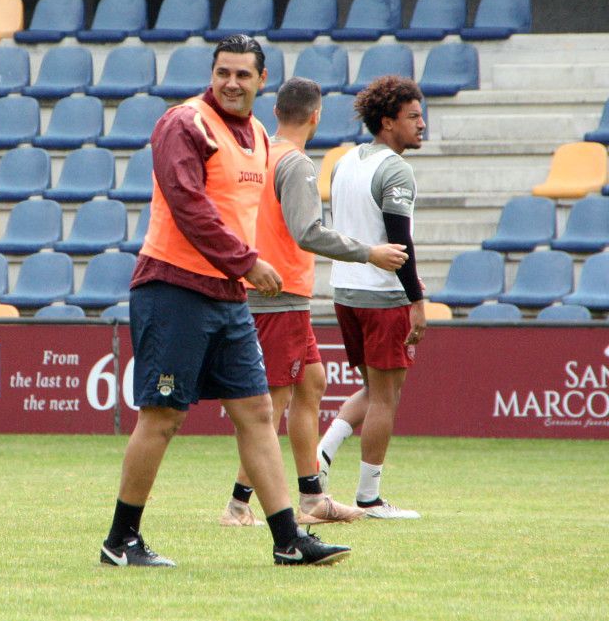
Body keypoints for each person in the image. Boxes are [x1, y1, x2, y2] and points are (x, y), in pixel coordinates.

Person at [99, 35, 350, 568]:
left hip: (227, 296)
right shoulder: (183, 123)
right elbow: (187, 205)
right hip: (173, 287)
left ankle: (289, 542)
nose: (231, 83)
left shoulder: (259, 135)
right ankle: (120, 541)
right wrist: (245, 260)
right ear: (211, 74)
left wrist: (241, 269)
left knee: (258, 413)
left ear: (263, 82)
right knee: (163, 417)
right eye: (222, 73)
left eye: (242, 75)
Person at [219, 77, 408, 528]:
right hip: (278, 297)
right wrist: (369, 251)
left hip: (281, 295)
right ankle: (239, 505)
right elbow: (308, 232)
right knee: (272, 405)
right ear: (316, 116)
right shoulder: (299, 165)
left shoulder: (261, 154)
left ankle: (313, 498)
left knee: (312, 384)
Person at [315, 75, 428, 520]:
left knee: (375, 388)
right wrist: (416, 300)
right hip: (381, 298)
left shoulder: (343, 161)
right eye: (413, 117)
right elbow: (400, 241)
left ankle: (323, 454)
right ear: (387, 122)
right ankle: (369, 498)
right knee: (385, 398)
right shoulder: (396, 169)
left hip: (345, 291)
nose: (422, 125)